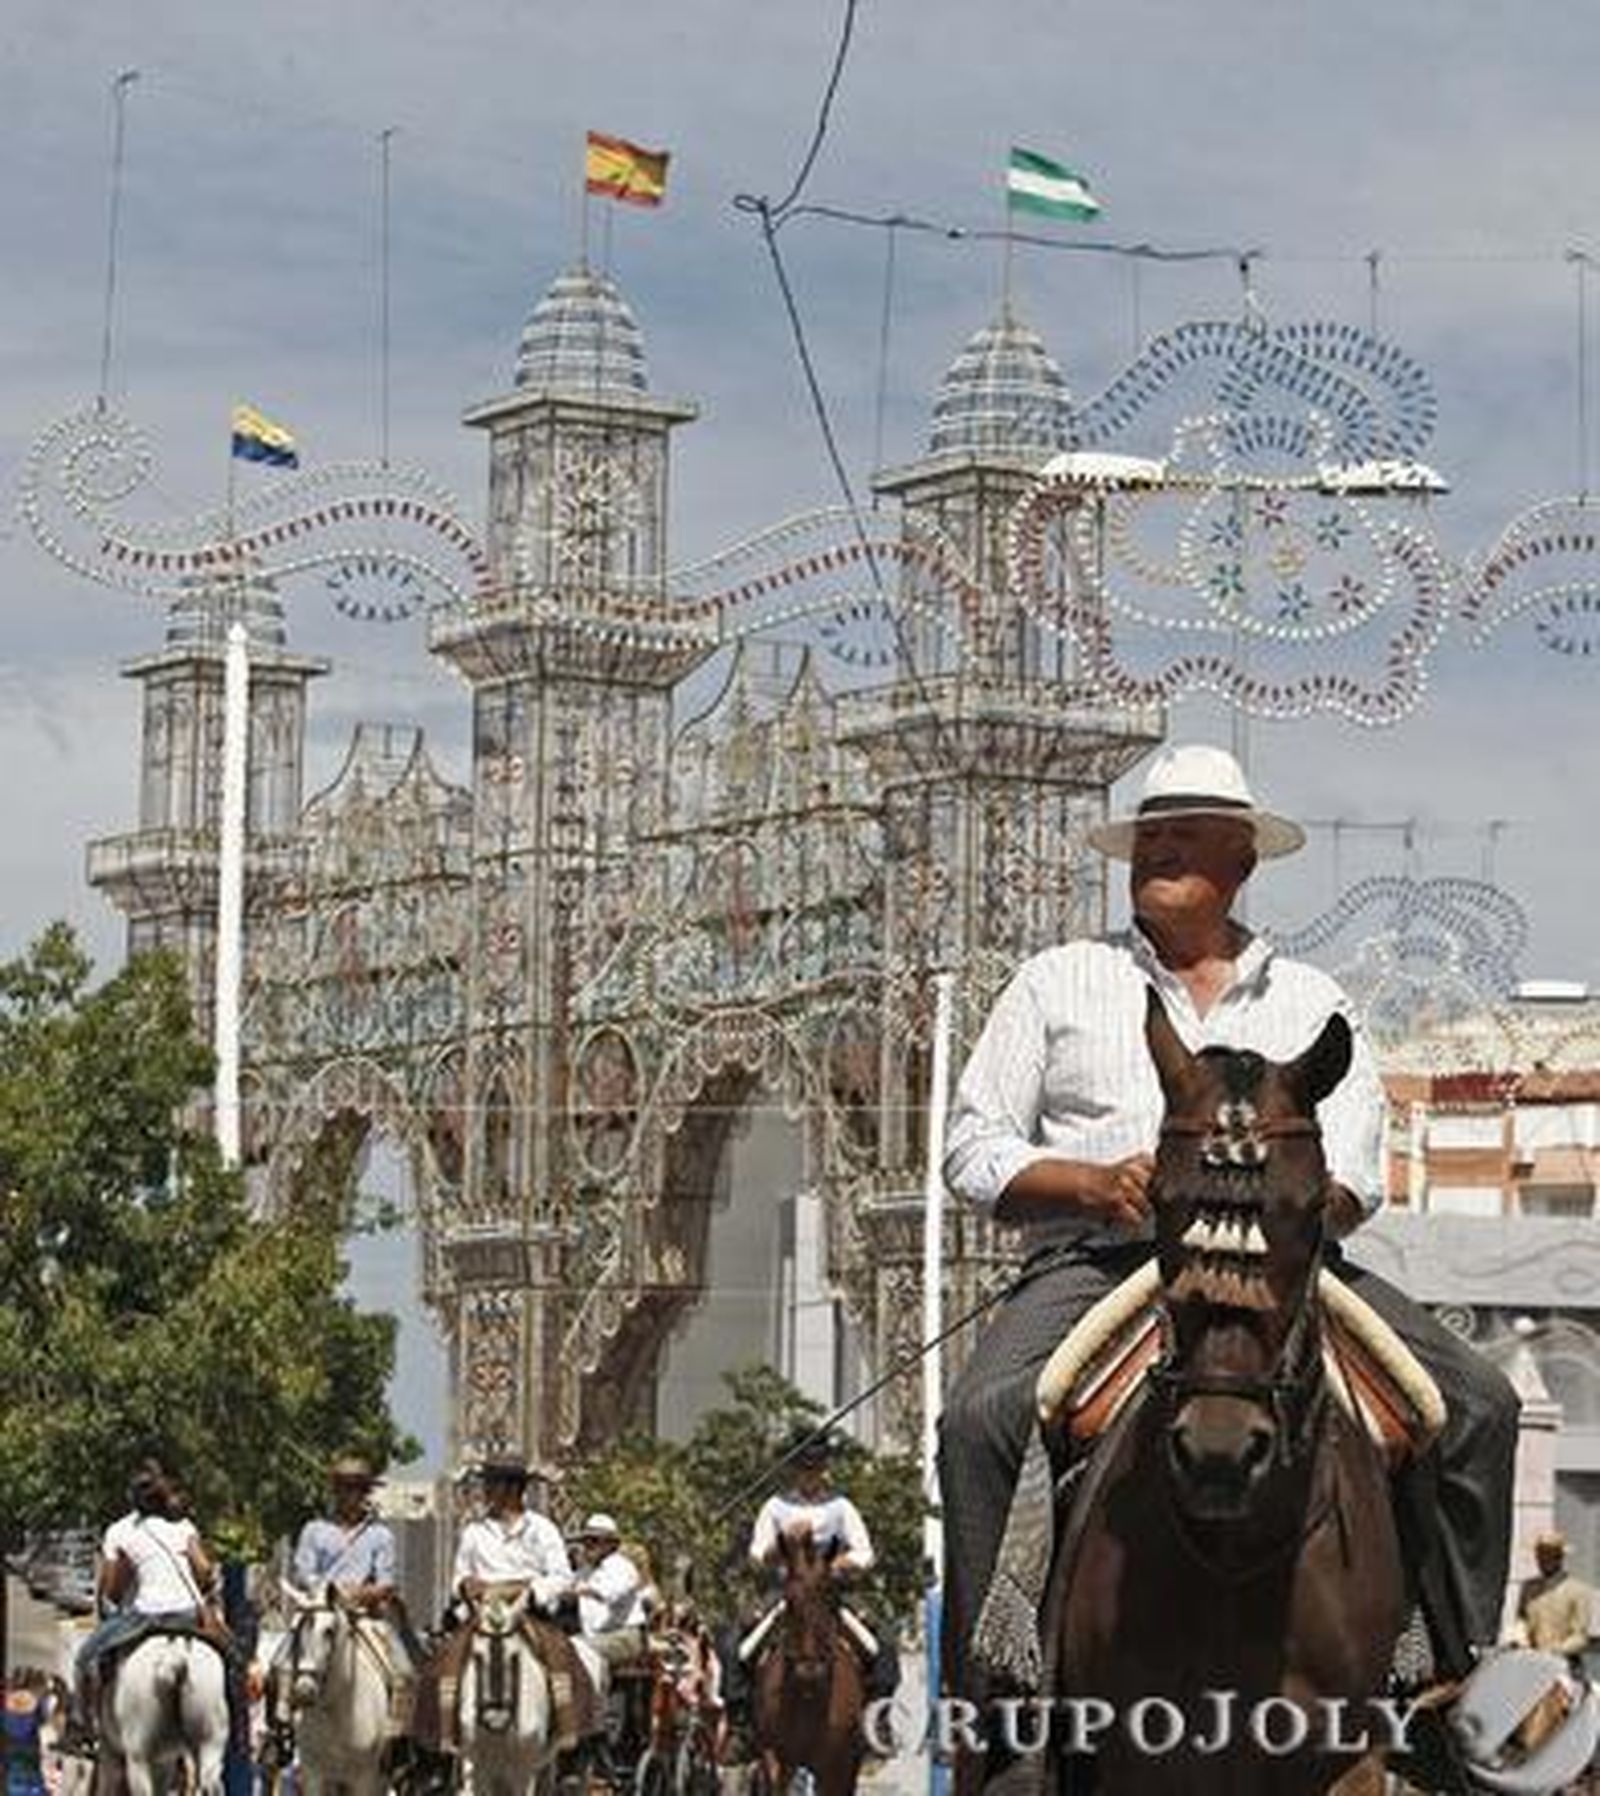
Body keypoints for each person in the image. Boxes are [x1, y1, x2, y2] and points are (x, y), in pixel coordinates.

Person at [938, 744, 1520, 1715]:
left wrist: (1295, 1208)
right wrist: (1089, 1181)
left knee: (1476, 1404)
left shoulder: (1311, 998)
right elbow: (971, 1150)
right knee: (978, 1418)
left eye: (1182, 837)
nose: (1156, 851)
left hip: (1286, 1263)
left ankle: (1452, 1681)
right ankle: (996, 1702)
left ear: (1240, 861)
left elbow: (1361, 1165)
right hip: (1106, 1257)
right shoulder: (1056, 979)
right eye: (1146, 838)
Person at [410, 1458, 595, 1761]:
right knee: (446, 1659)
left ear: (512, 1489)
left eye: (491, 1484)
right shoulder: (474, 1531)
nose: (484, 1491)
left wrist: (527, 1590)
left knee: (561, 1654)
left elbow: (561, 1576)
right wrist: (466, 1586)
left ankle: (567, 1732)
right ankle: (442, 1737)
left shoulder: (543, 1529)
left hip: (528, 1611)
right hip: (482, 1613)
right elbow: (458, 1576)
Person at [744, 1431, 899, 1704]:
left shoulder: (840, 1507)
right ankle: (740, 1721)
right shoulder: (776, 1507)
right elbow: (756, 1554)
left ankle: (879, 1715)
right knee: (737, 1641)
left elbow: (865, 1554)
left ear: (824, 1469)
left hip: (830, 1593)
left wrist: (836, 1565)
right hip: (787, 1591)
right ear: (794, 1470)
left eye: (815, 1468)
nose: (810, 1475)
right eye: (804, 1469)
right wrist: (783, 1545)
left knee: (882, 1642)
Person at [72, 1459, 223, 1733]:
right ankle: (235, 1729)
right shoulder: (185, 1527)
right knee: (233, 1659)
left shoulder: (122, 1533)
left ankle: (83, 1724)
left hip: (146, 1615)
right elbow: (205, 1571)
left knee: (86, 1656)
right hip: (189, 1612)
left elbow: (112, 1593)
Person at [572, 1515, 650, 1667]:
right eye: (585, 1541)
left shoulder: (622, 1567)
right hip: (594, 1636)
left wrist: (579, 1590)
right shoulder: (583, 1572)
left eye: (594, 1540)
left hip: (624, 1636)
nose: (588, 1545)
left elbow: (611, 1593)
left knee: (579, 1649)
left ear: (611, 1544)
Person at [1516, 1529, 1593, 1668]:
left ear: (1559, 1557)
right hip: (1531, 1664)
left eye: (1547, 1554)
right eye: (1539, 1554)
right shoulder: (1528, 1588)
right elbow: (1522, 1619)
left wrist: (1556, 1650)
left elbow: (1581, 1636)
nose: (1542, 1559)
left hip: (1566, 1666)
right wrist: (1520, 1638)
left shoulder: (1579, 1591)